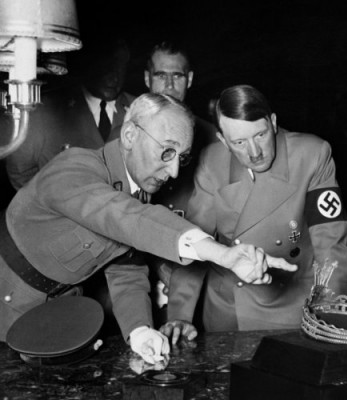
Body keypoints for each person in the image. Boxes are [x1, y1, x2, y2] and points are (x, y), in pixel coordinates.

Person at [0, 93, 296, 365]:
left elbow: (126, 269)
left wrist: (140, 331)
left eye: (182, 157)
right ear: (129, 135)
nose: (175, 172)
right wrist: (222, 255)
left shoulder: (136, 192)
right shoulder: (74, 169)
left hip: (58, 311)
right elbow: (127, 218)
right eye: (167, 152)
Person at [165, 84, 347, 331]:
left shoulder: (312, 155)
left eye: (261, 136)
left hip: (290, 309)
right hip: (228, 310)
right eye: (240, 142)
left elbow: (330, 246)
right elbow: (194, 239)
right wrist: (180, 315)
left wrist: (334, 315)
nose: (254, 153)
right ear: (223, 140)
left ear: (273, 122)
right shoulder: (212, 162)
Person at [5, 36, 136, 190]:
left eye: (119, 68)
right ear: (88, 65)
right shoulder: (45, 110)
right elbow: (20, 171)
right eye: (105, 67)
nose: (114, 78)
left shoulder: (138, 109)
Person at [143, 40, 217, 218]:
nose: (169, 85)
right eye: (161, 75)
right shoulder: (126, 135)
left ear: (189, 79)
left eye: (177, 76)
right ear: (147, 78)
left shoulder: (212, 137)